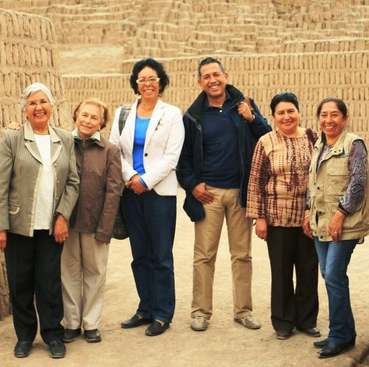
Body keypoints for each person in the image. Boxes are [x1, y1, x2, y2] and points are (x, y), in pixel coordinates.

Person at [177, 57, 271, 332]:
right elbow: (182, 157)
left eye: (216, 74)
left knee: (242, 255)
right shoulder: (193, 116)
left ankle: (244, 311)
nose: (212, 80)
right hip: (209, 195)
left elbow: (267, 137)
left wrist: (251, 118)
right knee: (204, 255)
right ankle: (200, 312)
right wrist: (192, 184)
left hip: (240, 193)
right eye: (206, 76)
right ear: (199, 82)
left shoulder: (243, 106)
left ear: (225, 76)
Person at [0, 83, 79, 360]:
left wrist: (63, 216)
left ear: (52, 106)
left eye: (43, 101)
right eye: (32, 103)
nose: (38, 107)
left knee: (49, 283)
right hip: (19, 226)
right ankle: (25, 336)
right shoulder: (13, 139)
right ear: (24, 109)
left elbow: (73, 183)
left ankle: (53, 334)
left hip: (51, 226)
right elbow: (1, 184)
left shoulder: (64, 138)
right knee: (20, 283)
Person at [110, 58, 184, 337]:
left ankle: (163, 314)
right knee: (139, 254)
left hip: (159, 194)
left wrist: (146, 180)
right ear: (135, 83)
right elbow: (114, 150)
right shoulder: (123, 113)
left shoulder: (172, 114)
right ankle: (145, 308)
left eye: (152, 79)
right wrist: (131, 178)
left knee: (161, 255)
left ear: (161, 83)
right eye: (142, 79)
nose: (147, 84)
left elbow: (171, 157)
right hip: (131, 192)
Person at [302, 97, 369, 359]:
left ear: (344, 119)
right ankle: (345, 333)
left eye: (334, 115)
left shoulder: (353, 144)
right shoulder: (318, 146)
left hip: (344, 224)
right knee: (330, 275)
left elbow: (358, 181)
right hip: (320, 221)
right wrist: (306, 212)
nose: (328, 120)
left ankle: (338, 336)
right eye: (324, 115)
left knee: (334, 274)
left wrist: (340, 214)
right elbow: (312, 183)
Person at [246, 92, 320, 340]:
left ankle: (307, 320)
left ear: (298, 112)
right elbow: (255, 181)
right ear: (274, 116)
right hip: (277, 218)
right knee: (281, 272)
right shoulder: (266, 142)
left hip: (308, 218)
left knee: (308, 270)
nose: (286, 116)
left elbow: (320, 177)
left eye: (291, 111)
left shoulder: (313, 138)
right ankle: (283, 322)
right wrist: (260, 218)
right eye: (281, 112)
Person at [61, 98, 122, 344]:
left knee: (95, 272)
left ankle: (91, 323)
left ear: (102, 123)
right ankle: (71, 323)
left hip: (96, 223)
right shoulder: (62, 143)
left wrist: (105, 229)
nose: (87, 120)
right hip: (65, 221)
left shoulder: (110, 151)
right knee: (68, 272)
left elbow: (114, 191)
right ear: (76, 115)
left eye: (94, 117)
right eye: (84, 115)